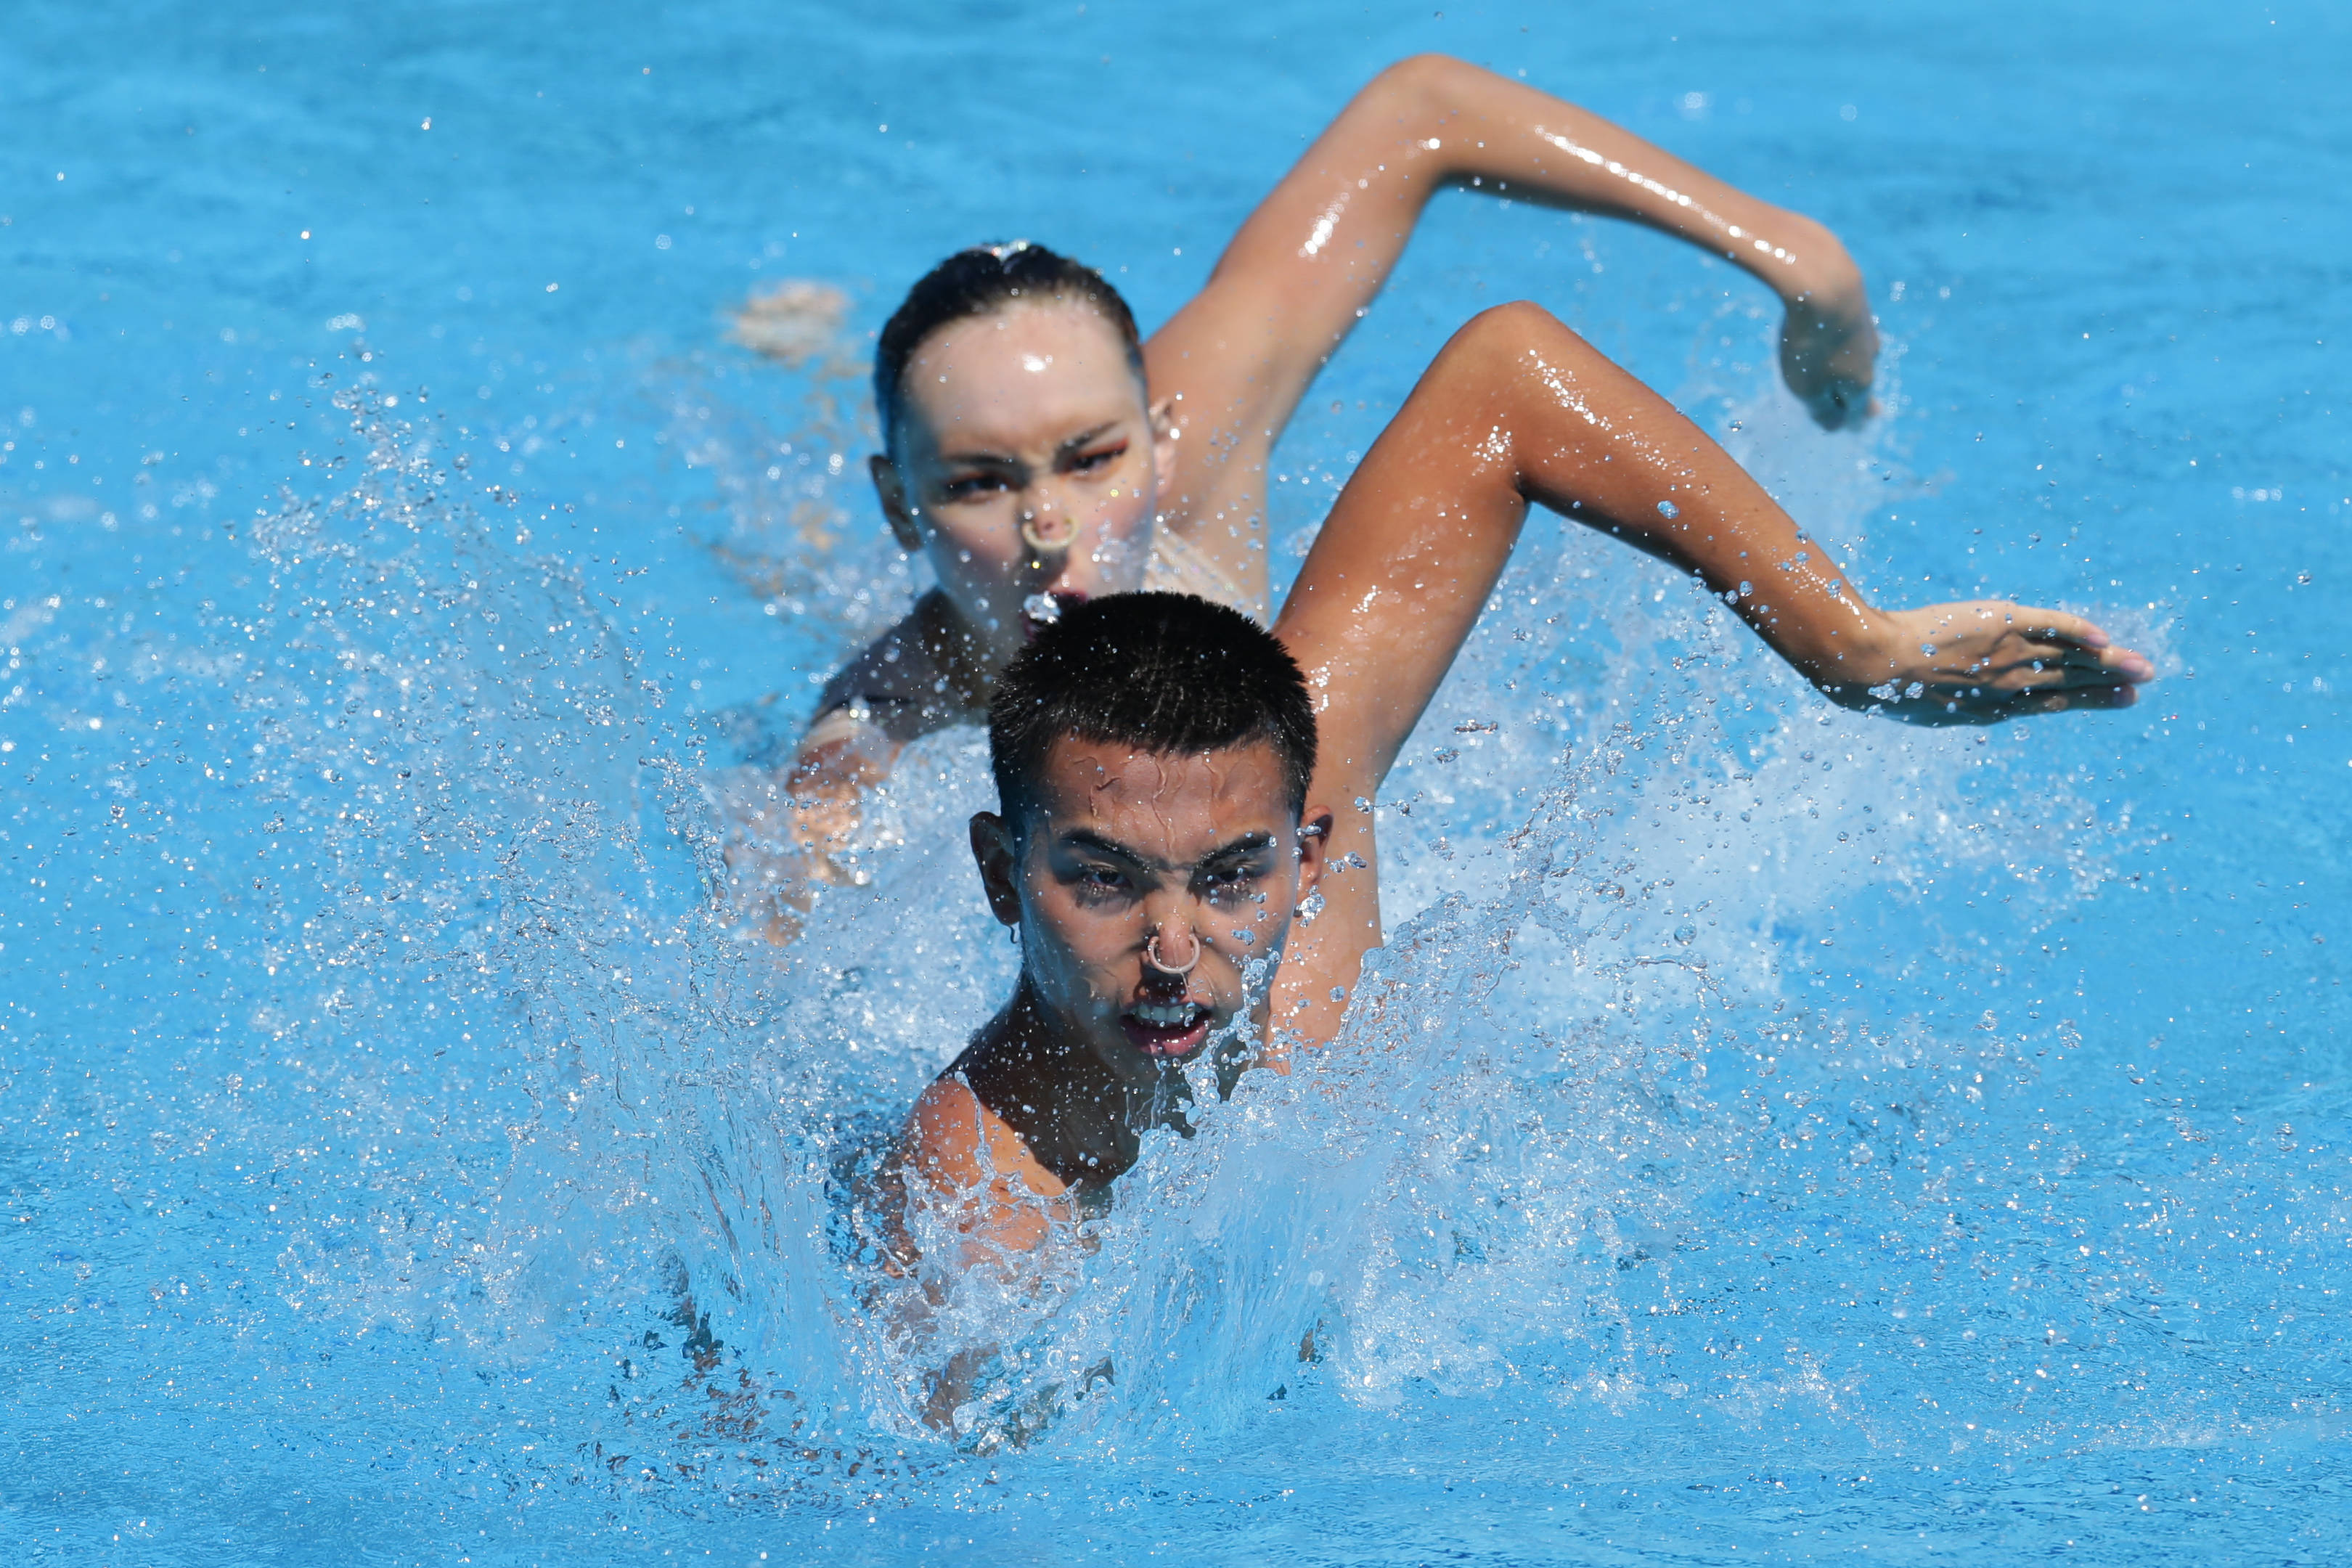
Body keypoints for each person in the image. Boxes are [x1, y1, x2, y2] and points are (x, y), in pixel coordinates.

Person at [878, 299, 2155, 1285]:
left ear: (1308, 856)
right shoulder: (974, 1229)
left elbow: (1505, 373)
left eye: (1231, 880)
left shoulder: (1268, 815)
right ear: (1003, 876)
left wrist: (1853, 649)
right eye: (1101, 880)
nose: (1174, 949)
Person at [722, 54, 1884, 934]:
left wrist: (1796, 260)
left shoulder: (1184, 447)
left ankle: (837, 374)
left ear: (1157, 448)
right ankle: (810, 372)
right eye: (979, 483)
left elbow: (1422, 111)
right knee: (805, 573)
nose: (1051, 528)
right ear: (911, 502)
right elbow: (788, 940)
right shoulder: (887, 711)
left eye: (1093, 462)